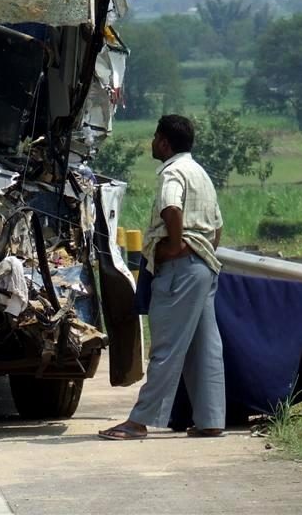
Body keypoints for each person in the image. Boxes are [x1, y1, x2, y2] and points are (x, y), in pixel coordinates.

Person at [99, 115, 225, 440]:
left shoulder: (172, 172)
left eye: (155, 138)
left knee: (166, 346)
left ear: (165, 142)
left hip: (179, 270)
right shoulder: (200, 173)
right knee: (204, 346)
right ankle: (211, 419)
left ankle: (139, 421)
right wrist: (200, 250)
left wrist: (173, 246)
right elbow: (218, 225)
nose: (152, 143)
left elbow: (171, 207)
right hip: (204, 266)